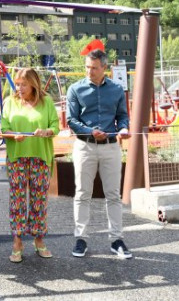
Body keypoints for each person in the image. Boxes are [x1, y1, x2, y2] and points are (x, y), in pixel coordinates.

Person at [66, 43, 132, 259]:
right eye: (86, 67)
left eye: (93, 68)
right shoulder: (75, 89)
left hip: (111, 147)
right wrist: (89, 131)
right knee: (82, 194)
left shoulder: (116, 90)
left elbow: (123, 116)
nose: (89, 71)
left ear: (104, 68)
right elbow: (71, 120)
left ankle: (117, 240)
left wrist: (123, 128)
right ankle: (81, 239)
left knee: (113, 195)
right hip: (85, 146)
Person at [1, 68, 59, 263]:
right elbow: (4, 128)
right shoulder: (9, 102)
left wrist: (46, 131)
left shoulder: (47, 101)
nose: (19, 88)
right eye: (17, 84)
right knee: (17, 200)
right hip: (17, 157)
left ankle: (39, 240)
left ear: (33, 84)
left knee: (39, 200)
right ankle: (17, 241)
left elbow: (55, 127)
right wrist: (11, 135)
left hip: (40, 158)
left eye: (23, 84)